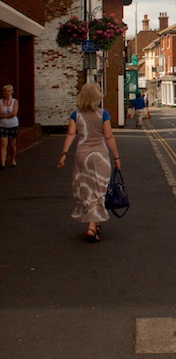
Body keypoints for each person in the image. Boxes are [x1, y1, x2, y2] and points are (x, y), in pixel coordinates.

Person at [57, 82, 121, 243]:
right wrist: (117, 158)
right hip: (100, 156)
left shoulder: (75, 115)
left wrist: (64, 154)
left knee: (86, 189)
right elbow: (108, 137)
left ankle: (96, 223)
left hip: (82, 156)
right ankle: (92, 226)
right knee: (99, 189)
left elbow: (71, 134)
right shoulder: (103, 114)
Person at [0, 84, 19, 167]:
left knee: (12, 145)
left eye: (8, 91)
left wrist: (4, 116)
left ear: (11, 92)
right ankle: (3, 163)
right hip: (2, 125)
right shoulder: (0, 102)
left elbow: (14, 113)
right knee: (3, 144)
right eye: (5, 91)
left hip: (13, 125)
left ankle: (13, 159)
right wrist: (6, 115)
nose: (6, 93)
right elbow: (0, 113)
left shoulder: (15, 102)